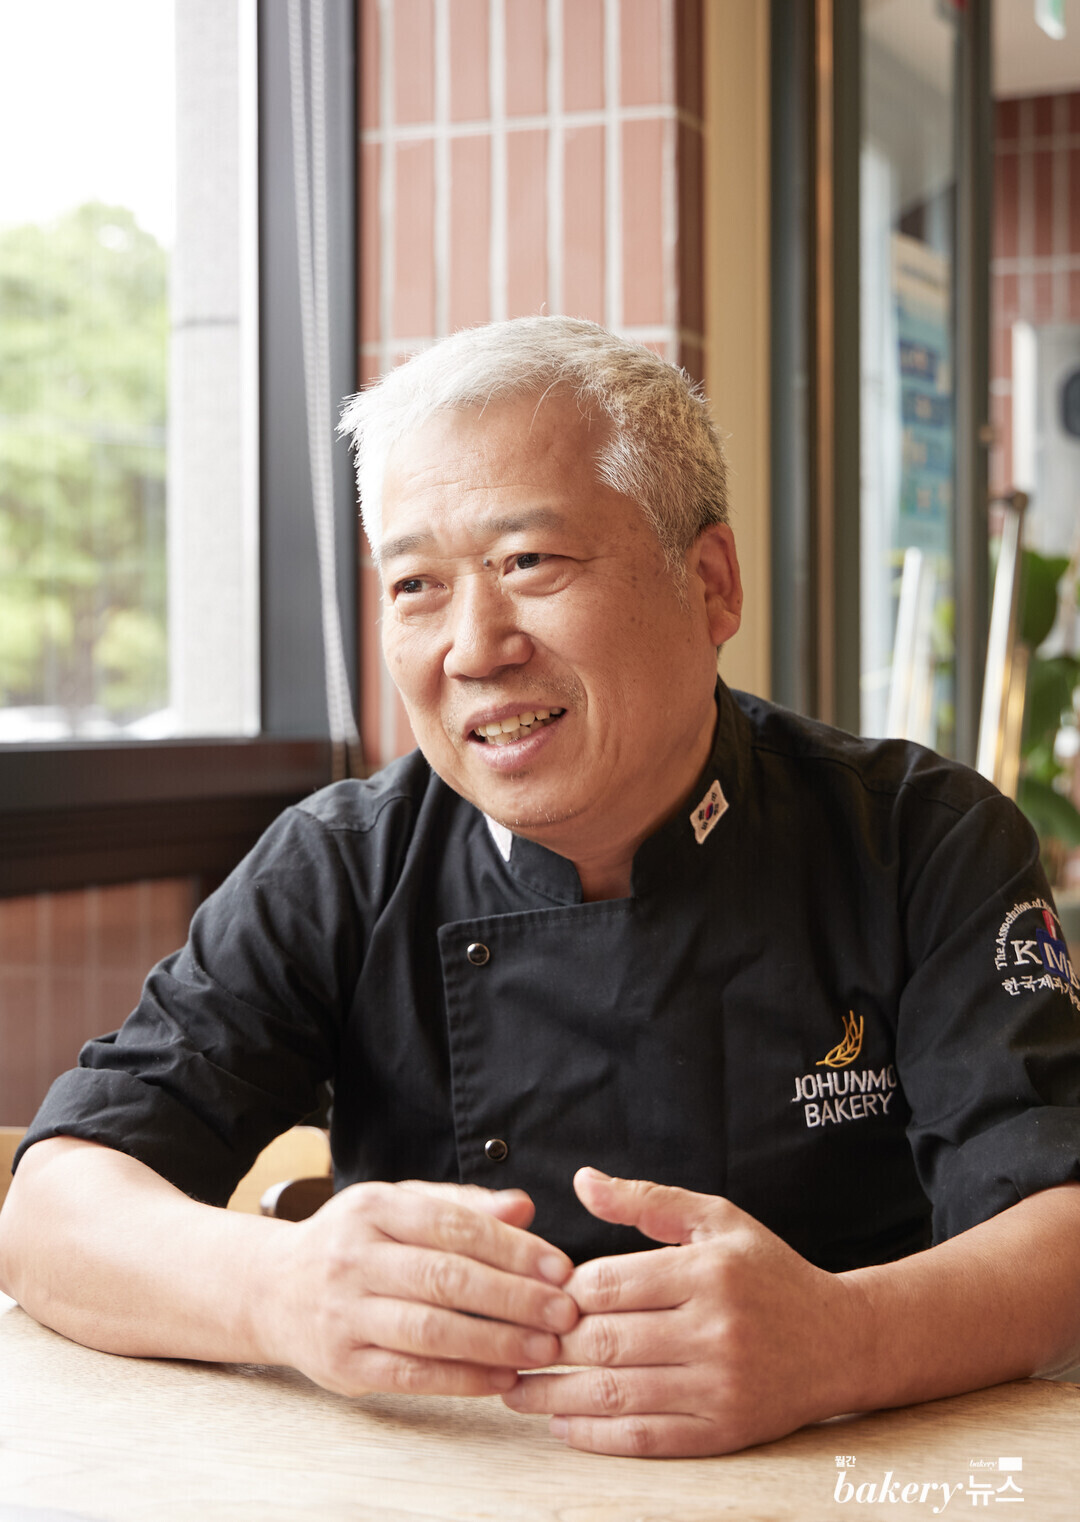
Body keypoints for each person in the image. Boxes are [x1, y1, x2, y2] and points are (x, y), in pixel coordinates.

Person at [2, 316, 1080, 1460]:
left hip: (849, 1472)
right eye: (417, 583)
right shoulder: (340, 866)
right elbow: (54, 1210)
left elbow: (1057, 1221)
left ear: (711, 583)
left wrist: (845, 1340)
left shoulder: (920, 838)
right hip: (440, 1486)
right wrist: (278, 1286)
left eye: (529, 562)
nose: (475, 646)